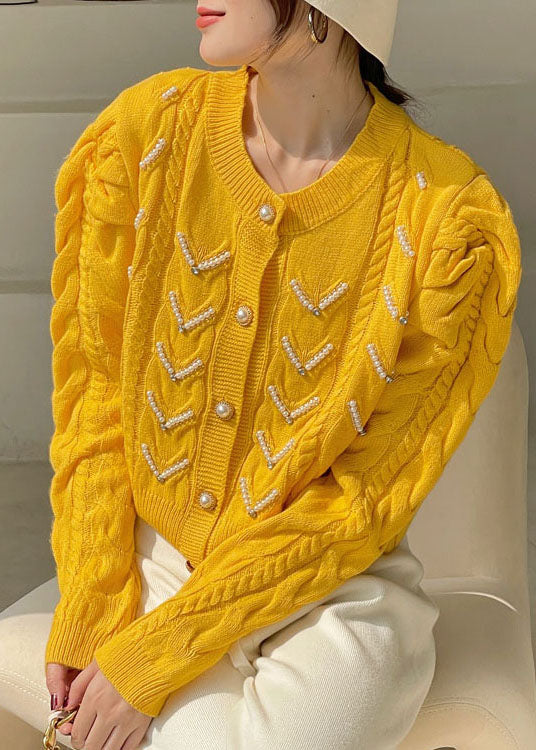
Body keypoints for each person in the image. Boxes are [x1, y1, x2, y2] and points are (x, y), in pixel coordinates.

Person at [0, 1, 522, 749]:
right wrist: (94, 602)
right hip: (155, 559)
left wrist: (163, 652)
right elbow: (95, 405)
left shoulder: (449, 224)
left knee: (318, 720)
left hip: (330, 586)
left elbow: (362, 499)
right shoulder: (141, 139)